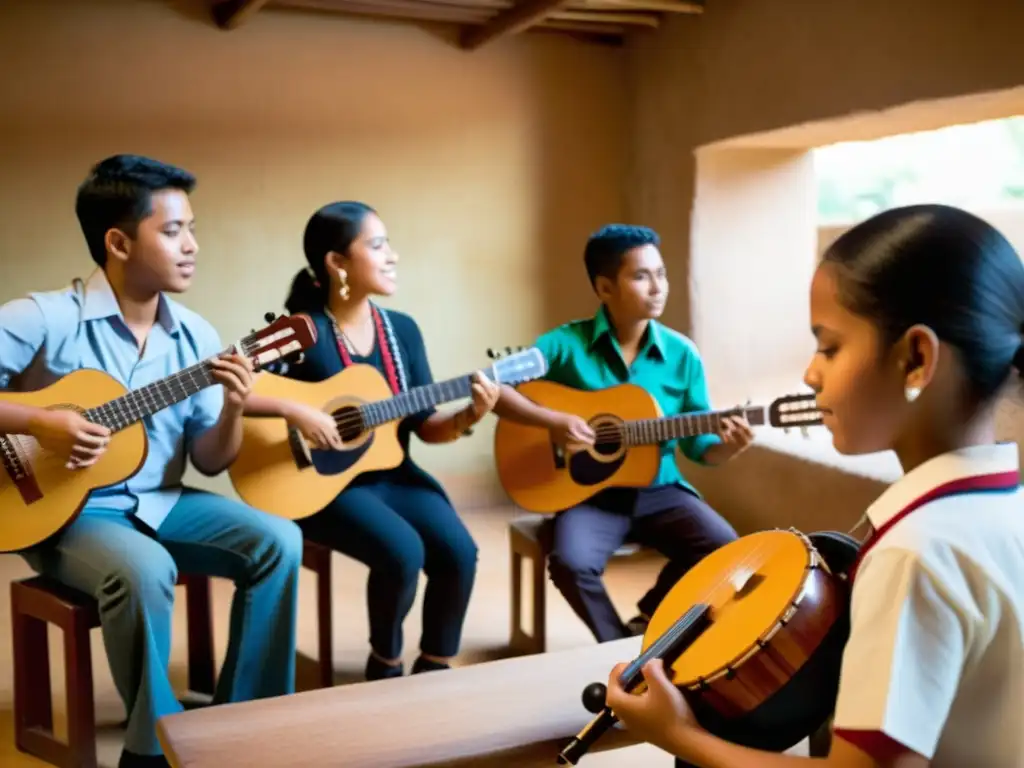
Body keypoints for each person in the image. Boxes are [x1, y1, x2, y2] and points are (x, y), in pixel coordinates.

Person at [605, 204, 1024, 767]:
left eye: (829, 346)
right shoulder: (1001, 508)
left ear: (917, 360)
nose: (810, 372)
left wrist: (679, 735)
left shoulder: (915, 555)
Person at [0, 155, 304, 767]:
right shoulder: (45, 317)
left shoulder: (194, 336)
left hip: (164, 502)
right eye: (172, 231)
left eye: (192, 228)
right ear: (117, 241)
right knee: (144, 571)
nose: (191, 246)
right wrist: (41, 422)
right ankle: (153, 750)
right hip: (62, 512)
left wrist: (233, 409)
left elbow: (212, 462)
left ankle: (248, 720)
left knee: (280, 541)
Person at [244, 201, 498, 681]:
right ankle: (384, 662)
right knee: (403, 552)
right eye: (377, 245)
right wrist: (295, 409)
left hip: (392, 471)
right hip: (320, 483)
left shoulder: (401, 332)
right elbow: (227, 384)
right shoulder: (299, 329)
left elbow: (427, 427)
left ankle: (436, 664)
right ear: (337, 262)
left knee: (459, 553)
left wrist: (470, 413)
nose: (392, 255)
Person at [492, 224, 753, 643]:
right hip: (587, 492)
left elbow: (700, 446)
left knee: (726, 551)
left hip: (661, 490)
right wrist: (554, 423)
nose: (658, 287)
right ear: (604, 287)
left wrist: (728, 447)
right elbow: (495, 388)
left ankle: (648, 620)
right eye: (641, 276)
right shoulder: (562, 345)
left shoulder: (682, 354)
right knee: (571, 563)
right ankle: (615, 647)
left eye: (661, 274)